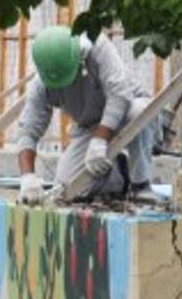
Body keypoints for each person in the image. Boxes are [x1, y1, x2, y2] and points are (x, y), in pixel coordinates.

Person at [16, 26, 163, 205]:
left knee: (140, 112)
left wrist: (100, 140)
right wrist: (27, 178)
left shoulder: (97, 47)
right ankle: (119, 174)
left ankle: (141, 185)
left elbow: (119, 95)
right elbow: (28, 131)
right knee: (68, 187)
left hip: (127, 111)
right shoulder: (43, 82)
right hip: (89, 127)